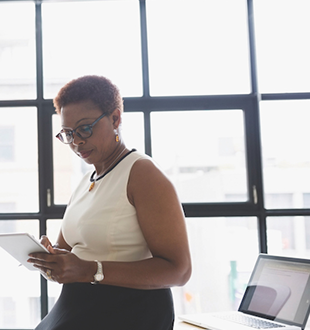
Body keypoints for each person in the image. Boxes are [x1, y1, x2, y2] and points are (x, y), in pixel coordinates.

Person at [28, 75, 192, 330]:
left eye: (85, 128)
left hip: (127, 312)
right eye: (68, 134)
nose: (77, 142)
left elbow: (179, 271)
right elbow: (68, 250)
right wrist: (51, 258)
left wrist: (89, 270)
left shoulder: (142, 174)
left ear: (115, 118)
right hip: (76, 309)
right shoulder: (86, 181)